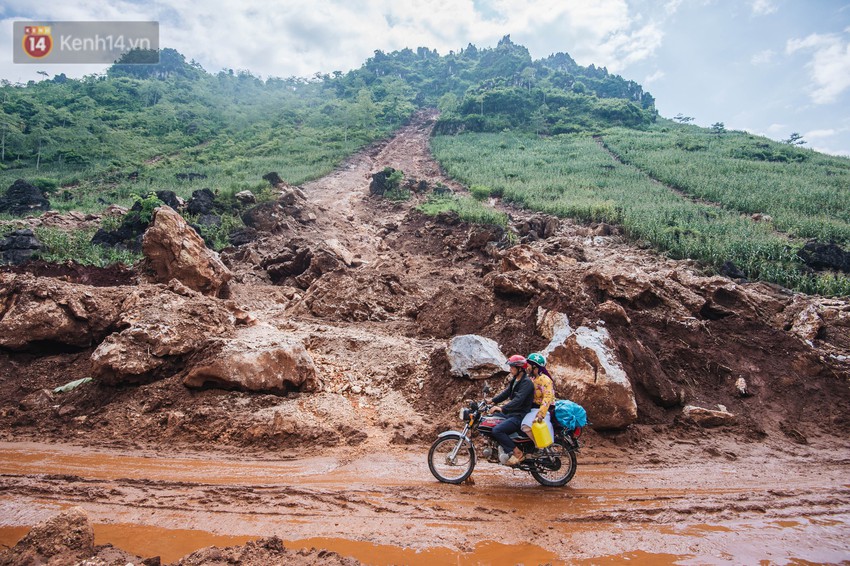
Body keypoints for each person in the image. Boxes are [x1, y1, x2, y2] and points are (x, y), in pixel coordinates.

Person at [487, 354, 534, 466]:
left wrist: (502, 408)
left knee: (497, 430)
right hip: (512, 413)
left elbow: (518, 400)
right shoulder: (516, 380)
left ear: (520, 368)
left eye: (512, 367)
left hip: (519, 415)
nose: (510, 369)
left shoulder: (526, 383)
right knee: (491, 421)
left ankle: (517, 452)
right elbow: (506, 393)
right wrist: (493, 400)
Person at [521, 352, 555, 447]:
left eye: (529, 365)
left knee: (526, 426)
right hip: (531, 408)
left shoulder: (545, 380)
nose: (527, 367)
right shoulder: (532, 378)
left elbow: (547, 398)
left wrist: (541, 414)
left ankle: (540, 447)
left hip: (541, 409)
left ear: (535, 367)